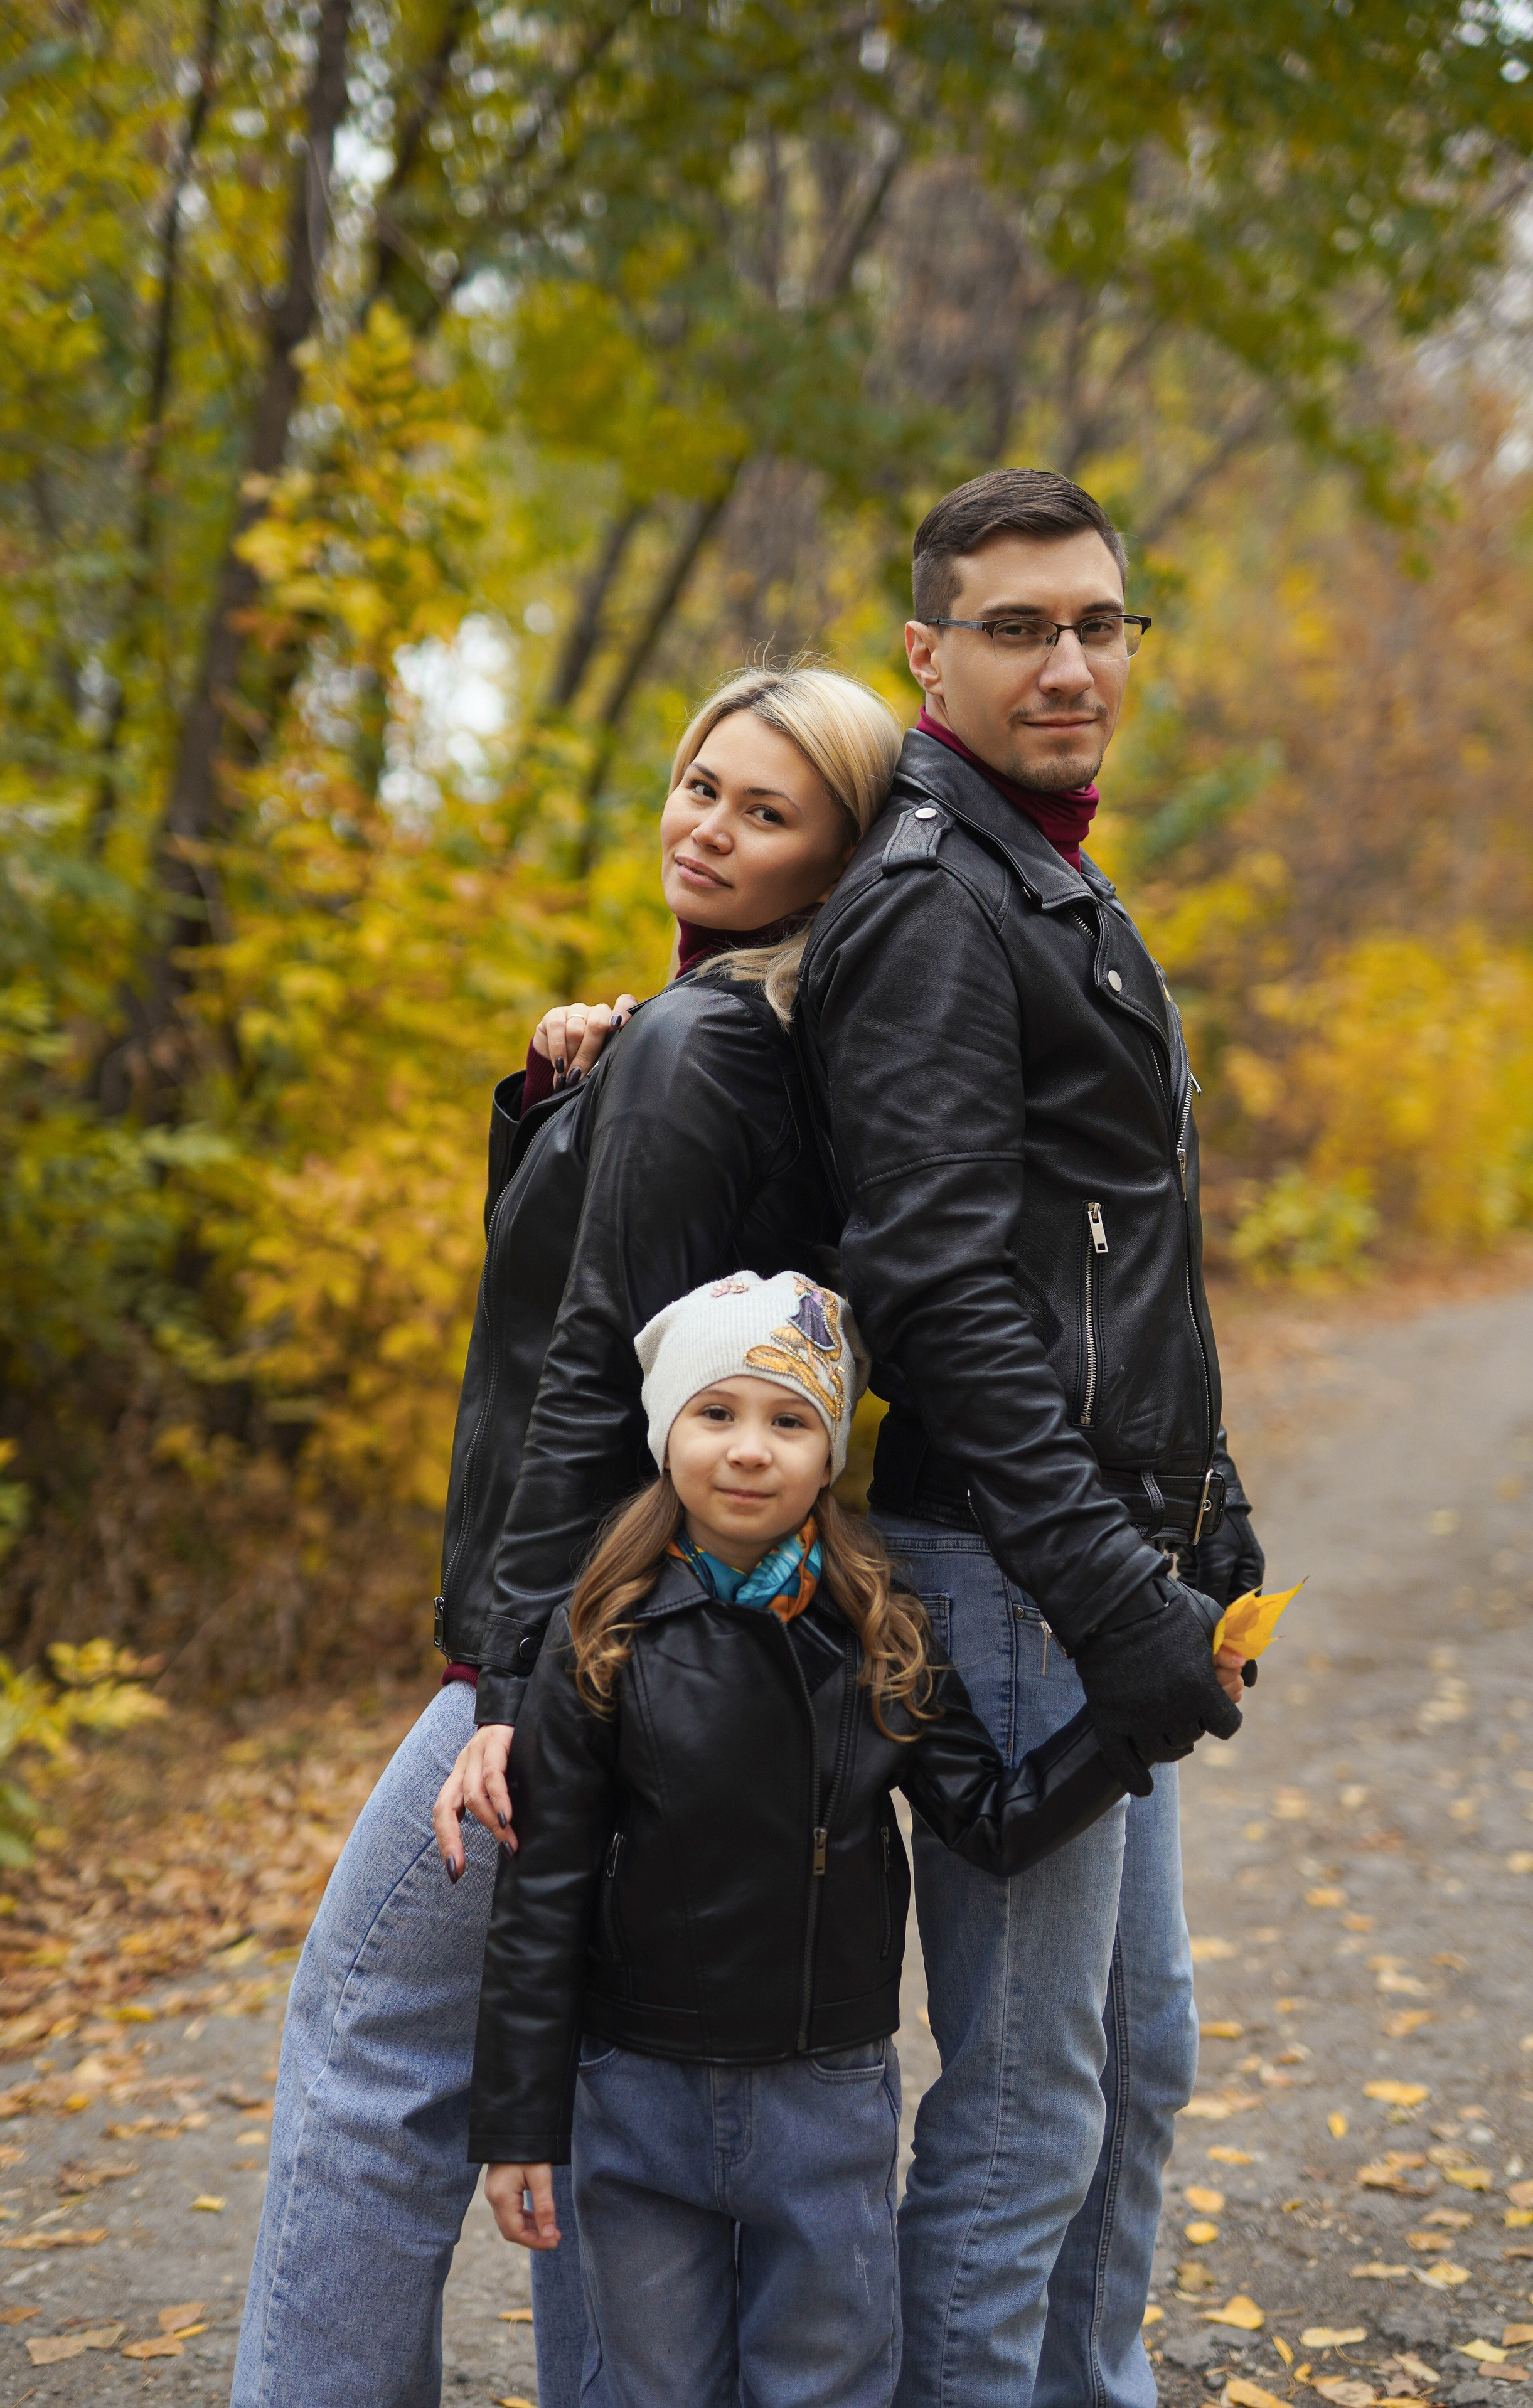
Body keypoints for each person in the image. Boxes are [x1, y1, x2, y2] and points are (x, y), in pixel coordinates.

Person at [229, 666, 904, 2408]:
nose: (711, 826)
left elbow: (586, 1383)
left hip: (592, 1624)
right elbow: (586, 1306)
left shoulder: (708, 1043)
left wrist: (516, 1671)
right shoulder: (736, 1032)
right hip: (663, 1620)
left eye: (769, 813)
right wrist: (560, 1105)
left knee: (371, 2030)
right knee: (599, 2058)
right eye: (699, 784)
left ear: (840, 855)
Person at [794, 468, 1266, 2408]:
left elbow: (1118, 1251)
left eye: (1099, 623)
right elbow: (941, 1296)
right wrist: (1107, 1588)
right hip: (1011, 1572)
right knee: (1017, 2104)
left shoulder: (1048, 871)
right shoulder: (934, 895)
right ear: (927, 655)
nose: (1070, 661)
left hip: (1100, 1552)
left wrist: (1207, 1518)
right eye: (1018, 627)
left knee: (1131, 2060)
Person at [471, 1271, 1224, 2408]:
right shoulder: (603, 1639)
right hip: (638, 2099)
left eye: (789, 1420)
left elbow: (993, 1819)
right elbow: (545, 1893)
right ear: (666, 1431)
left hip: (823, 2101)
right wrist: (520, 2123)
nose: (749, 1449)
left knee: (826, 2379)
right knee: (653, 2384)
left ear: (830, 1453)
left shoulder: (884, 1632)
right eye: (716, 1413)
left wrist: (1135, 1731)